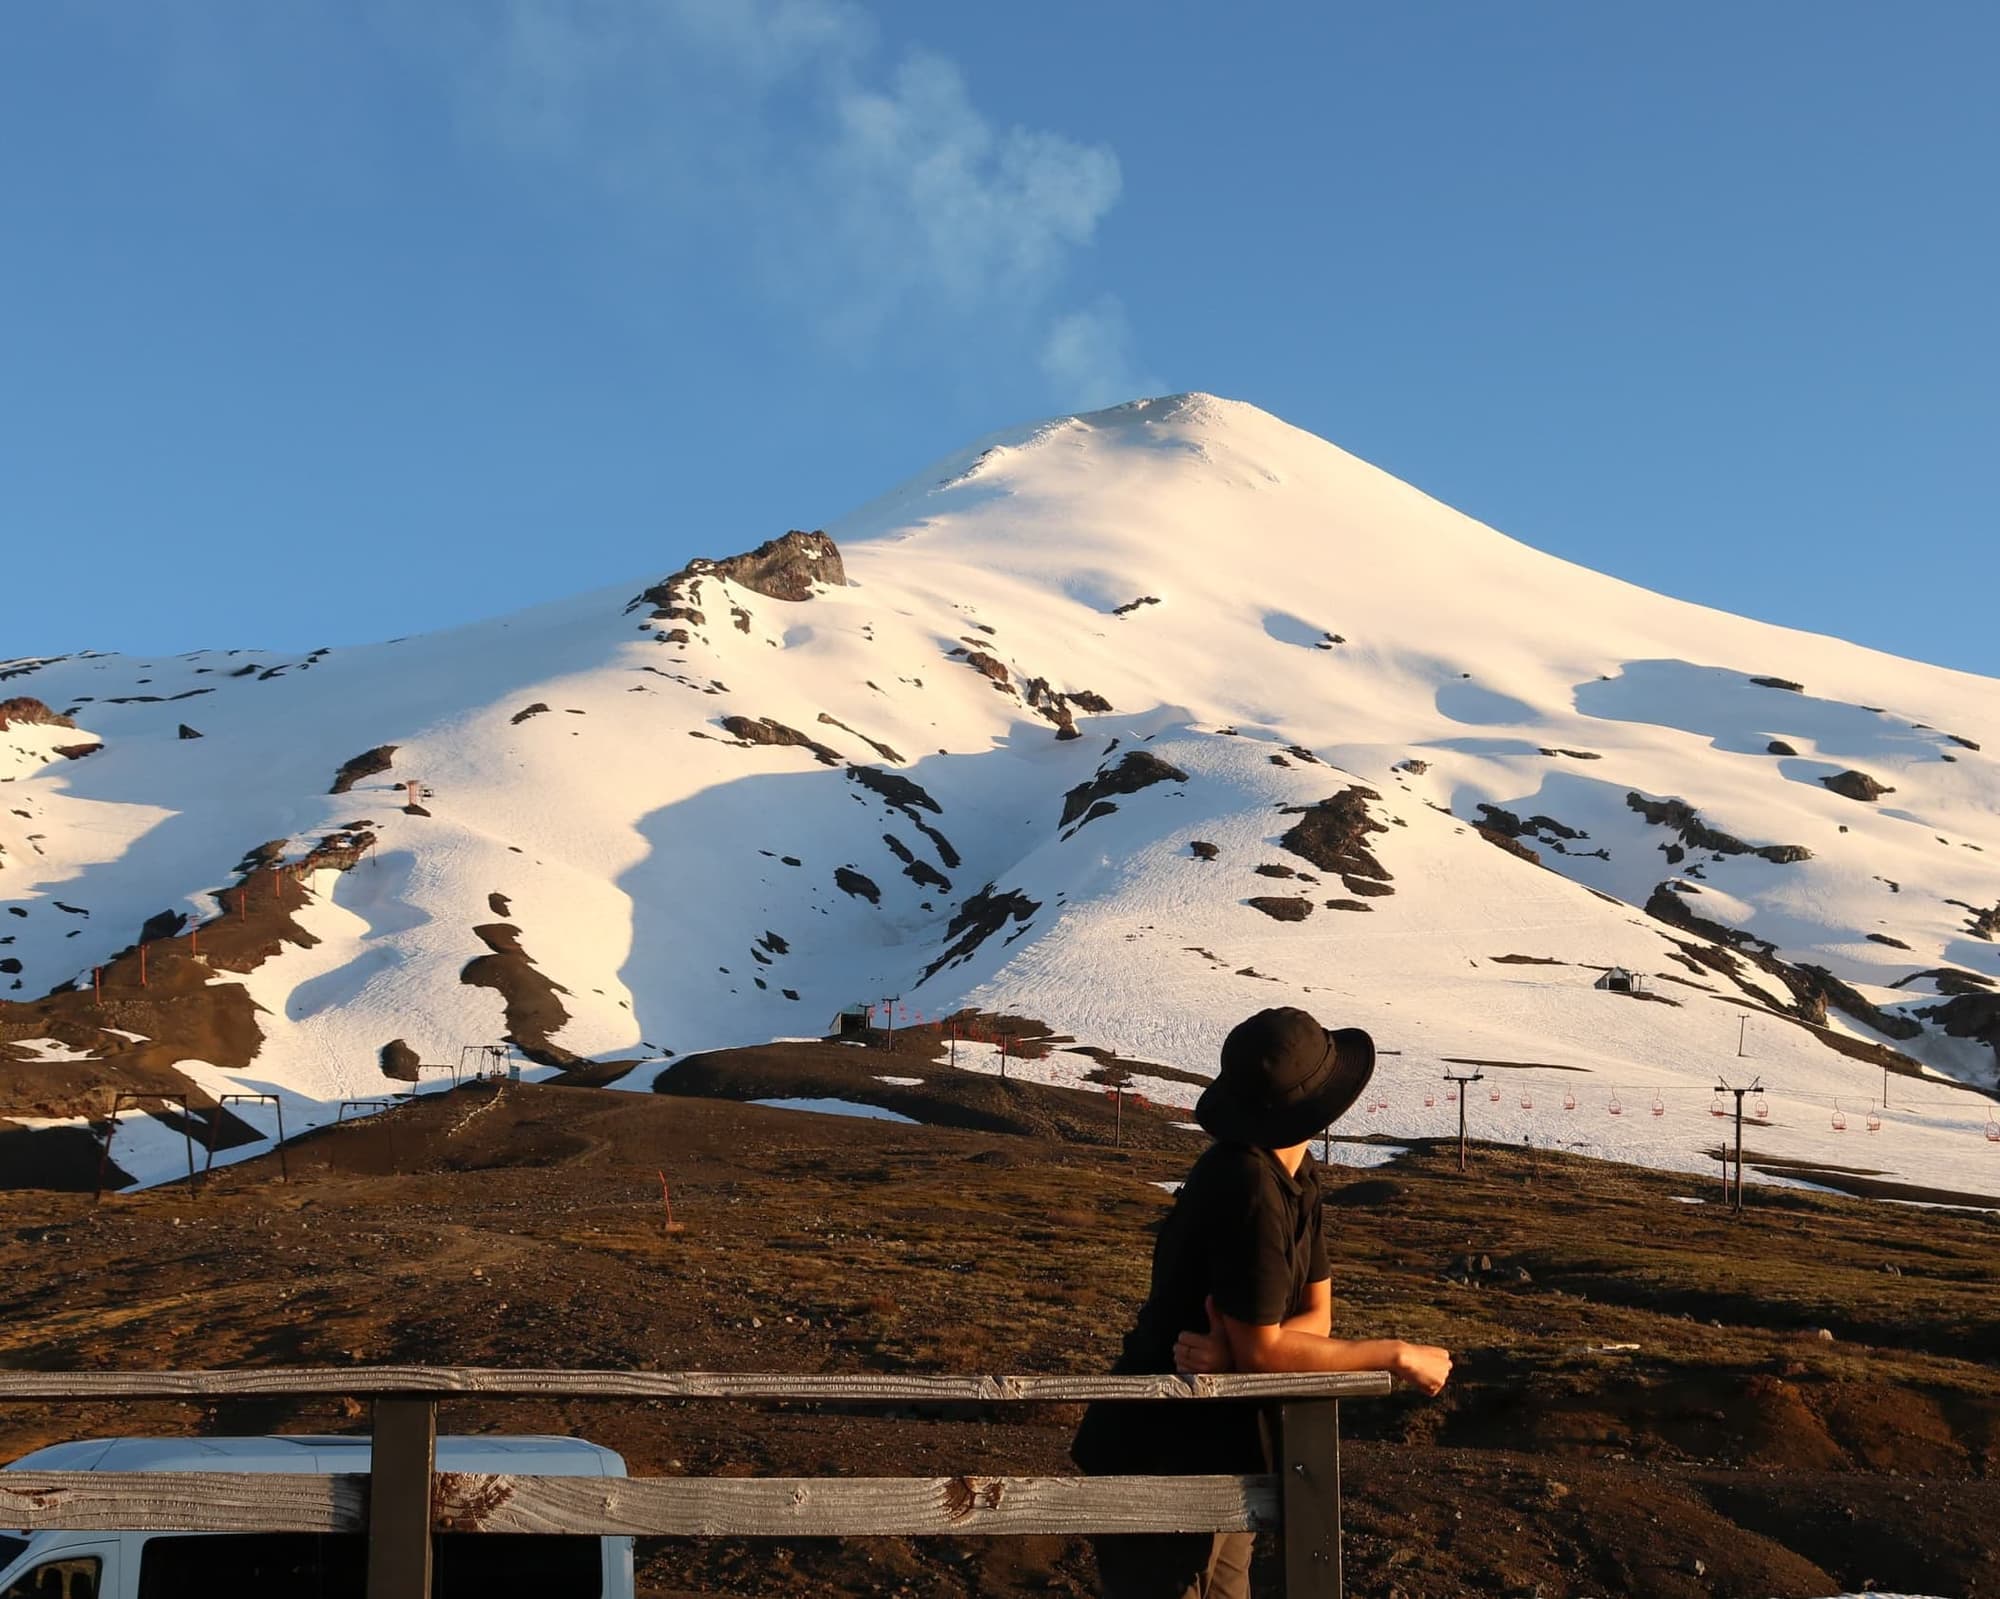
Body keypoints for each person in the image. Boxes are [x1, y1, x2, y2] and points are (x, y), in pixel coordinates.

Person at [1071, 1006, 1452, 1599]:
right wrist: (1395, 1354)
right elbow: (1271, 1343)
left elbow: (1314, 1322)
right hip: (1163, 1454)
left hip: (1220, 1448)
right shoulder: (1247, 1184)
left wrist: (1242, 1357)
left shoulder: (1296, 1177)